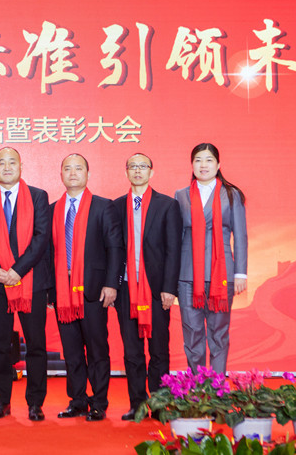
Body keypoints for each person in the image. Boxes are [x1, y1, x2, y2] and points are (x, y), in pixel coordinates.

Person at [51, 154, 123, 422]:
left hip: (93, 290)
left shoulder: (103, 207)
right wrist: (49, 290)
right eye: (67, 168)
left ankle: (99, 402)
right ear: (61, 174)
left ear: (88, 174)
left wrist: (111, 284)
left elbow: (115, 248)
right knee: (71, 352)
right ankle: (78, 400)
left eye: (78, 168)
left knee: (96, 349)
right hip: (63, 290)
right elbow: (48, 253)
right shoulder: (53, 209)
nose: (72, 173)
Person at [112, 153, 182, 420]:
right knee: (132, 351)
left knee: (158, 350)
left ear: (151, 172)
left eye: (143, 167)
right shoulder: (116, 206)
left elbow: (174, 249)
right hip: (126, 289)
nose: (138, 171)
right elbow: (112, 249)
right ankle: (137, 404)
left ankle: (160, 403)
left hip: (155, 289)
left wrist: (169, 288)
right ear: (126, 172)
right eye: (133, 167)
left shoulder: (167, 205)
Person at [0, 147, 51, 421]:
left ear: (21, 166)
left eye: (12, 162)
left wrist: (18, 271)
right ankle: (2, 402)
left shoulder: (38, 196)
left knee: (35, 344)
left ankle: (35, 403)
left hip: (31, 282)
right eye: (2, 163)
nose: (7, 167)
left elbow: (41, 238)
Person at [174, 143, 247, 374]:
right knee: (192, 333)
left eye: (208, 160)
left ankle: (217, 388)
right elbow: (176, 238)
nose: (203, 165)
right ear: (192, 165)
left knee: (219, 334)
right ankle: (196, 388)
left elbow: (240, 236)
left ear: (218, 164)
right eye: (198, 160)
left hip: (222, 274)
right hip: (188, 276)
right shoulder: (181, 195)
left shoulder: (231, 195)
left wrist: (241, 273)